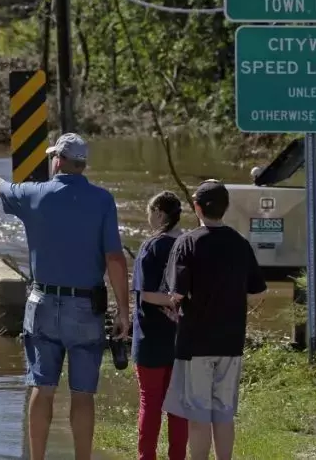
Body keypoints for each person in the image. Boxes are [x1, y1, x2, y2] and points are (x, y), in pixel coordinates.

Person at [0, 133, 130, 460]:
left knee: (42, 387)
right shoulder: (103, 201)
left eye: (54, 157)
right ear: (82, 165)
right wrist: (124, 311)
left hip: (43, 305)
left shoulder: (34, 195)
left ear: (59, 161)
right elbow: (115, 259)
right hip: (86, 309)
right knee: (83, 395)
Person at [162, 180, 267, 460]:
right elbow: (259, 293)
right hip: (231, 342)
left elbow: (177, 294)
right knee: (223, 414)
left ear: (196, 207)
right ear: (226, 208)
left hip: (195, 344)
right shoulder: (240, 243)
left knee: (198, 416)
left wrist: (173, 309)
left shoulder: (187, 243)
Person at [131, 191, 187, 460]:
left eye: (149, 210)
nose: (148, 216)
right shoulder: (189, 243)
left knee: (150, 403)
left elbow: (145, 294)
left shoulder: (151, 247)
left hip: (150, 338)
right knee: (177, 406)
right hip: (182, 338)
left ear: (160, 214)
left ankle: (146, 457)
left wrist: (169, 300)